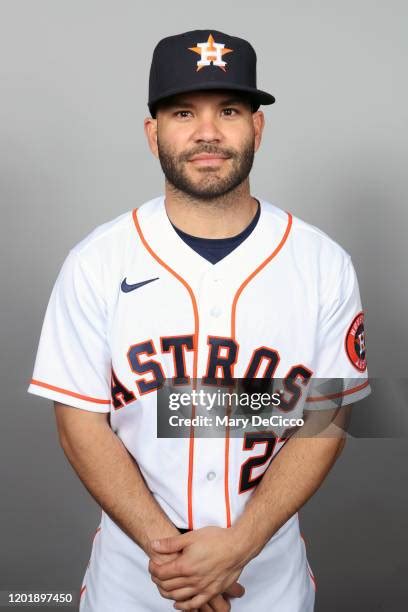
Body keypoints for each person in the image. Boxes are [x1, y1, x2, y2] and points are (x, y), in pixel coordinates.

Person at [27, 29, 371, 612]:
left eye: (230, 111)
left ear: (257, 128)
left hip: (269, 582)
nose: (207, 132)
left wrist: (240, 545)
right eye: (183, 111)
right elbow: (79, 422)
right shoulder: (97, 261)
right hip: (133, 585)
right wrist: (173, 556)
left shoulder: (322, 262)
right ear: (152, 132)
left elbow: (328, 415)